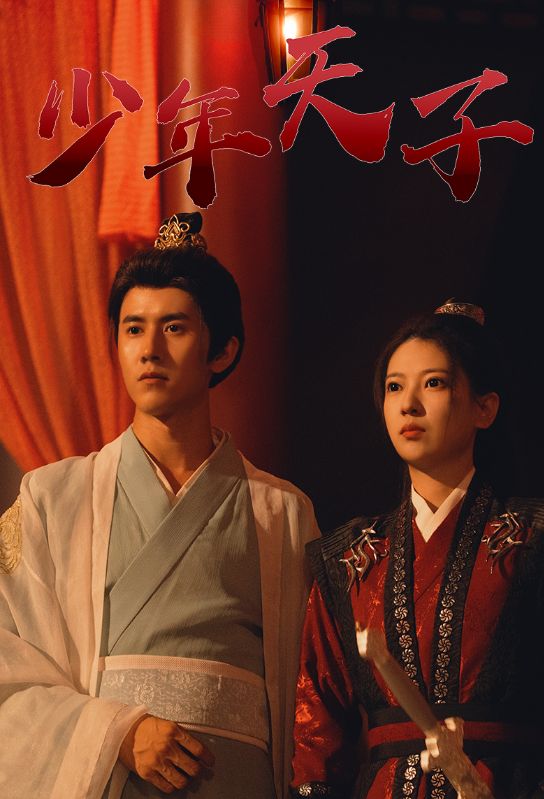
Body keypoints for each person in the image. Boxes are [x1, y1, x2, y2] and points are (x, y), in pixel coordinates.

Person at [0, 213, 319, 799]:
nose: (149, 350)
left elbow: (315, 691)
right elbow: (8, 664)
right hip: (111, 778)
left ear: (222, 350)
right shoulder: (51, 498)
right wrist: (118, 732)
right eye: (132, 329)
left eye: (174, 328)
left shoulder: (283, 513)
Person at [290, 300, 544, 799]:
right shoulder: (349, 558)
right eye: (395, 387)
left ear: (485, 407)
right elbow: (316, 720)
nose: (408, 404)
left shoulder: (539, 538)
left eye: (433, 383)